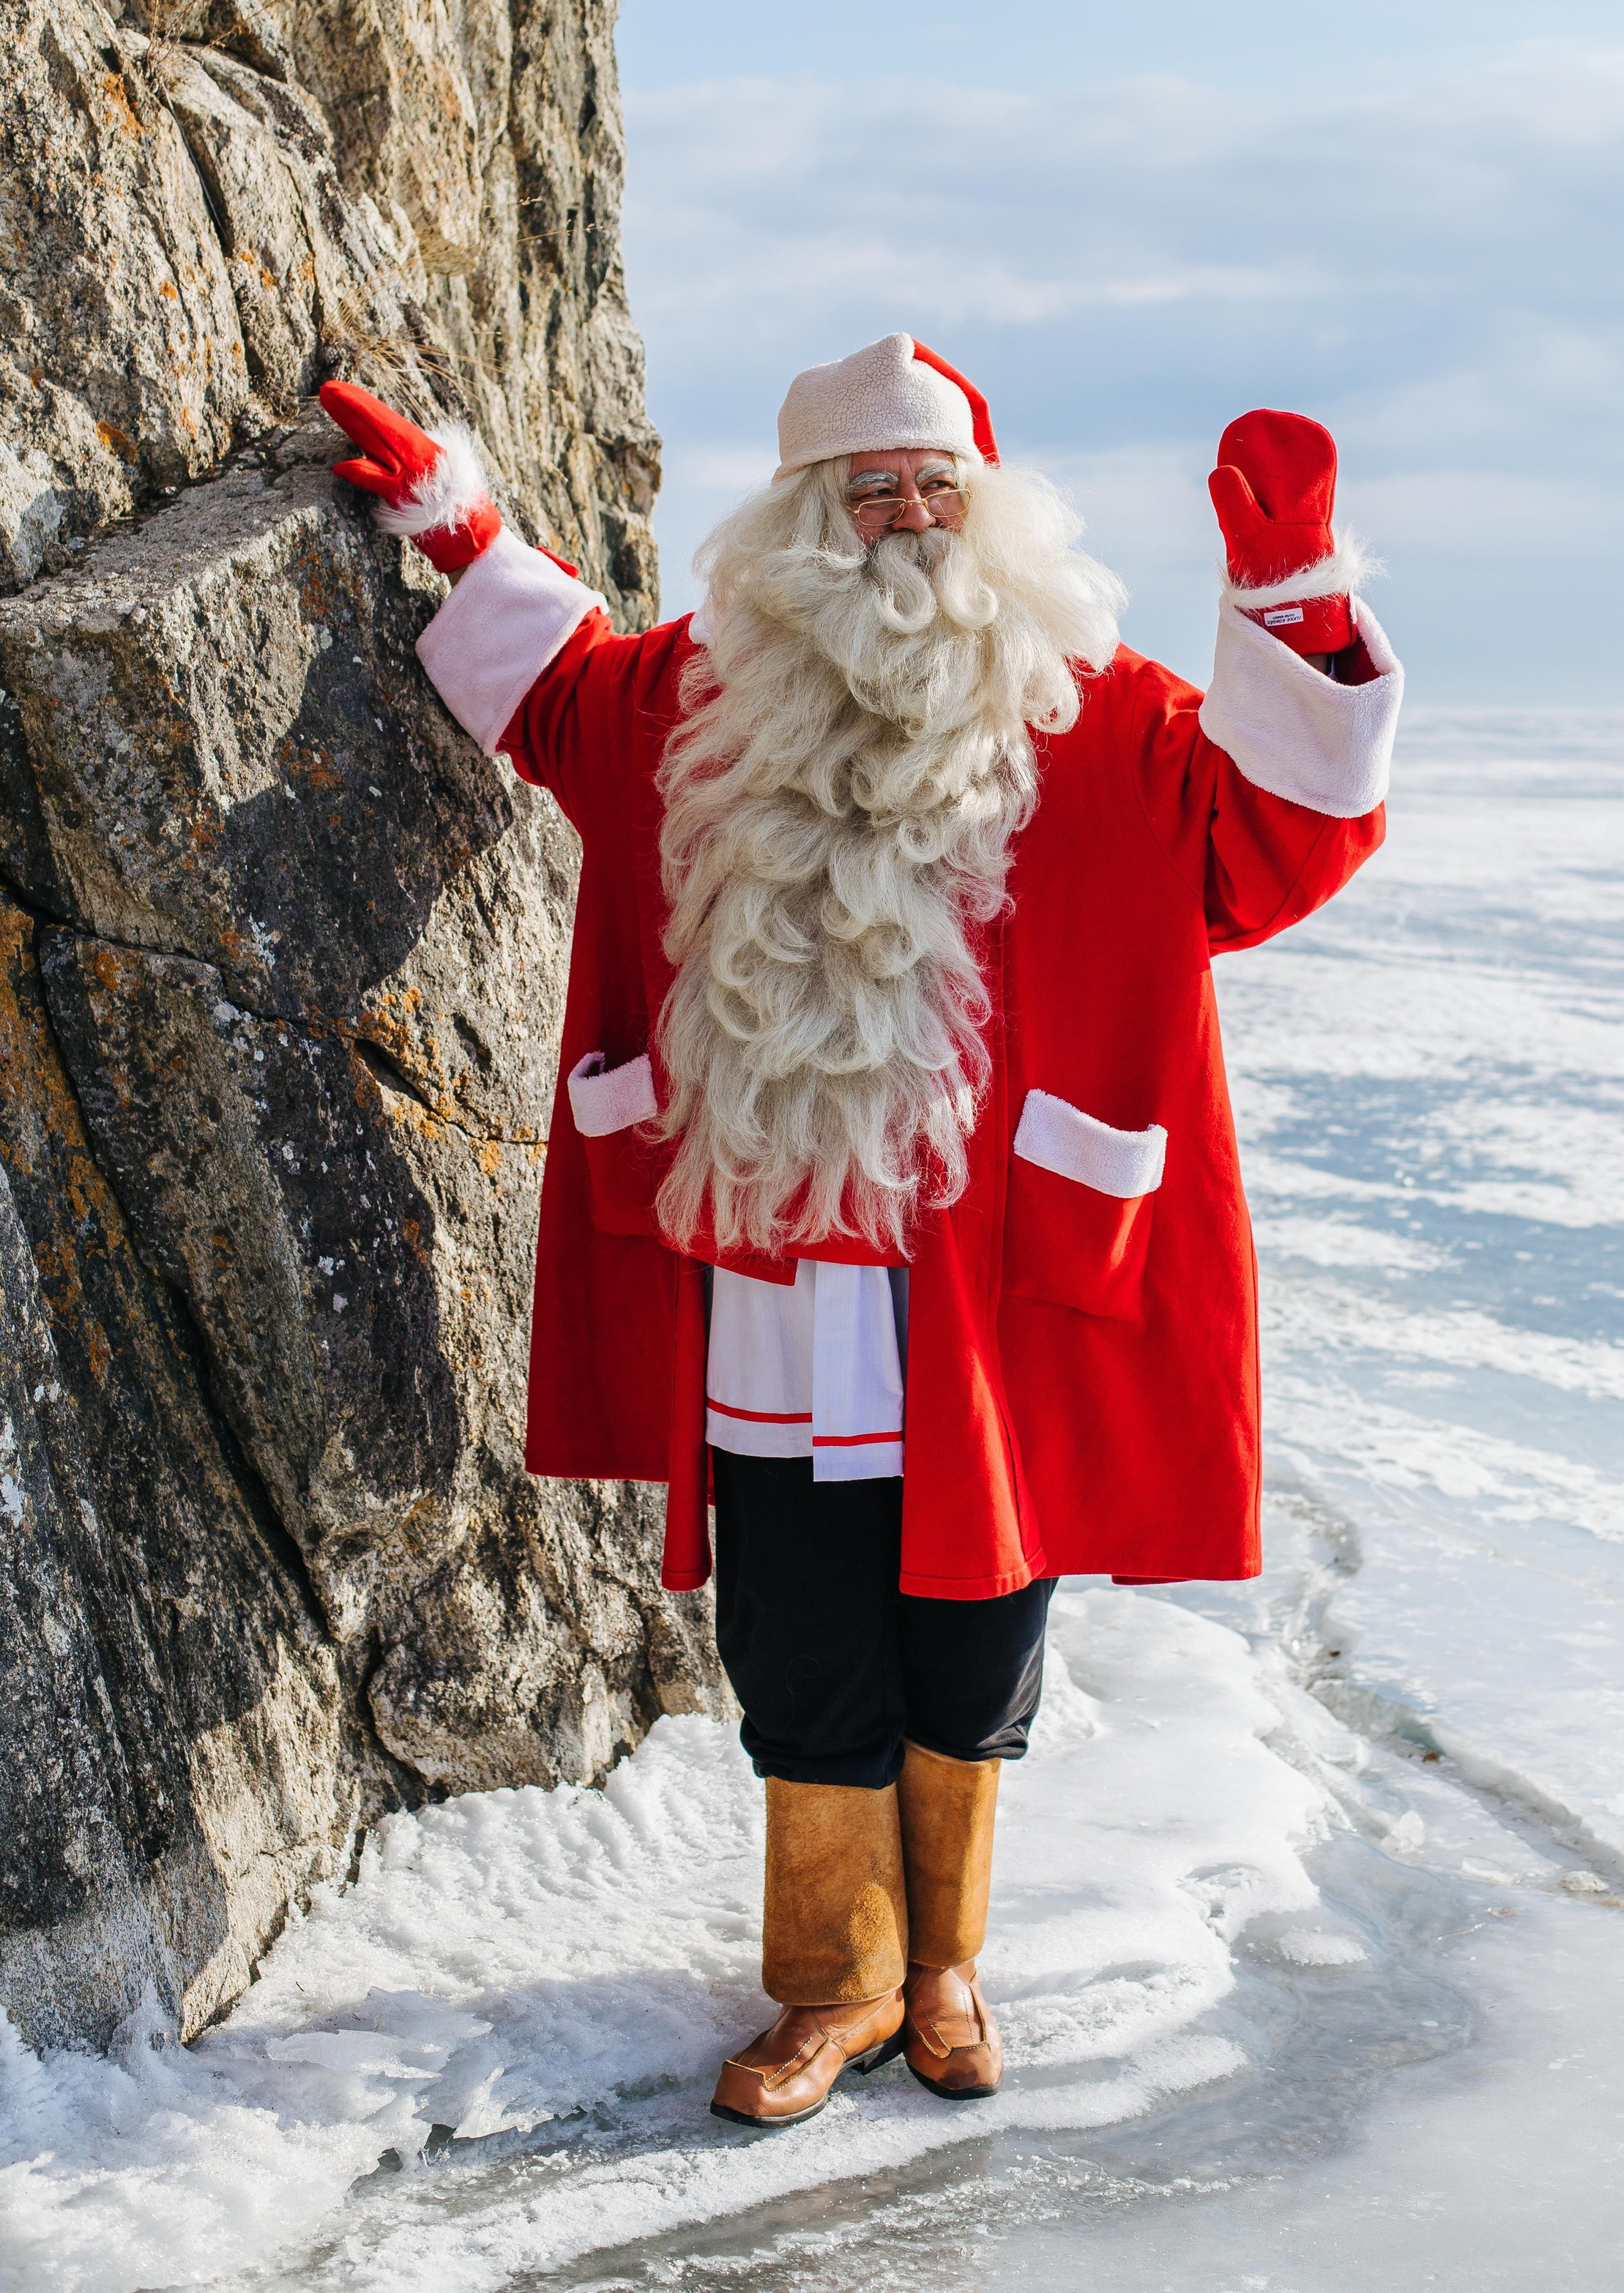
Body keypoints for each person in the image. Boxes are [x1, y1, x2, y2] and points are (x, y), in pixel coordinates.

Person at [320, 332, 1402, 2130]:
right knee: (801, 1629)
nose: (899, 518)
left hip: (984, 1286)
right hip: (770, 1269)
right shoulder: (694, 697)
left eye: (929, 487)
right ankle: (831, 1984)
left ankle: (949, 1968)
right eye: (862, 488)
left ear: (987, 515)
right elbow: (556, 700)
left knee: (973, 1626)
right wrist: (459, 524)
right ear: (800, 520)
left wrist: (1288, 598)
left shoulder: (1098, 712)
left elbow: (1274, 837)